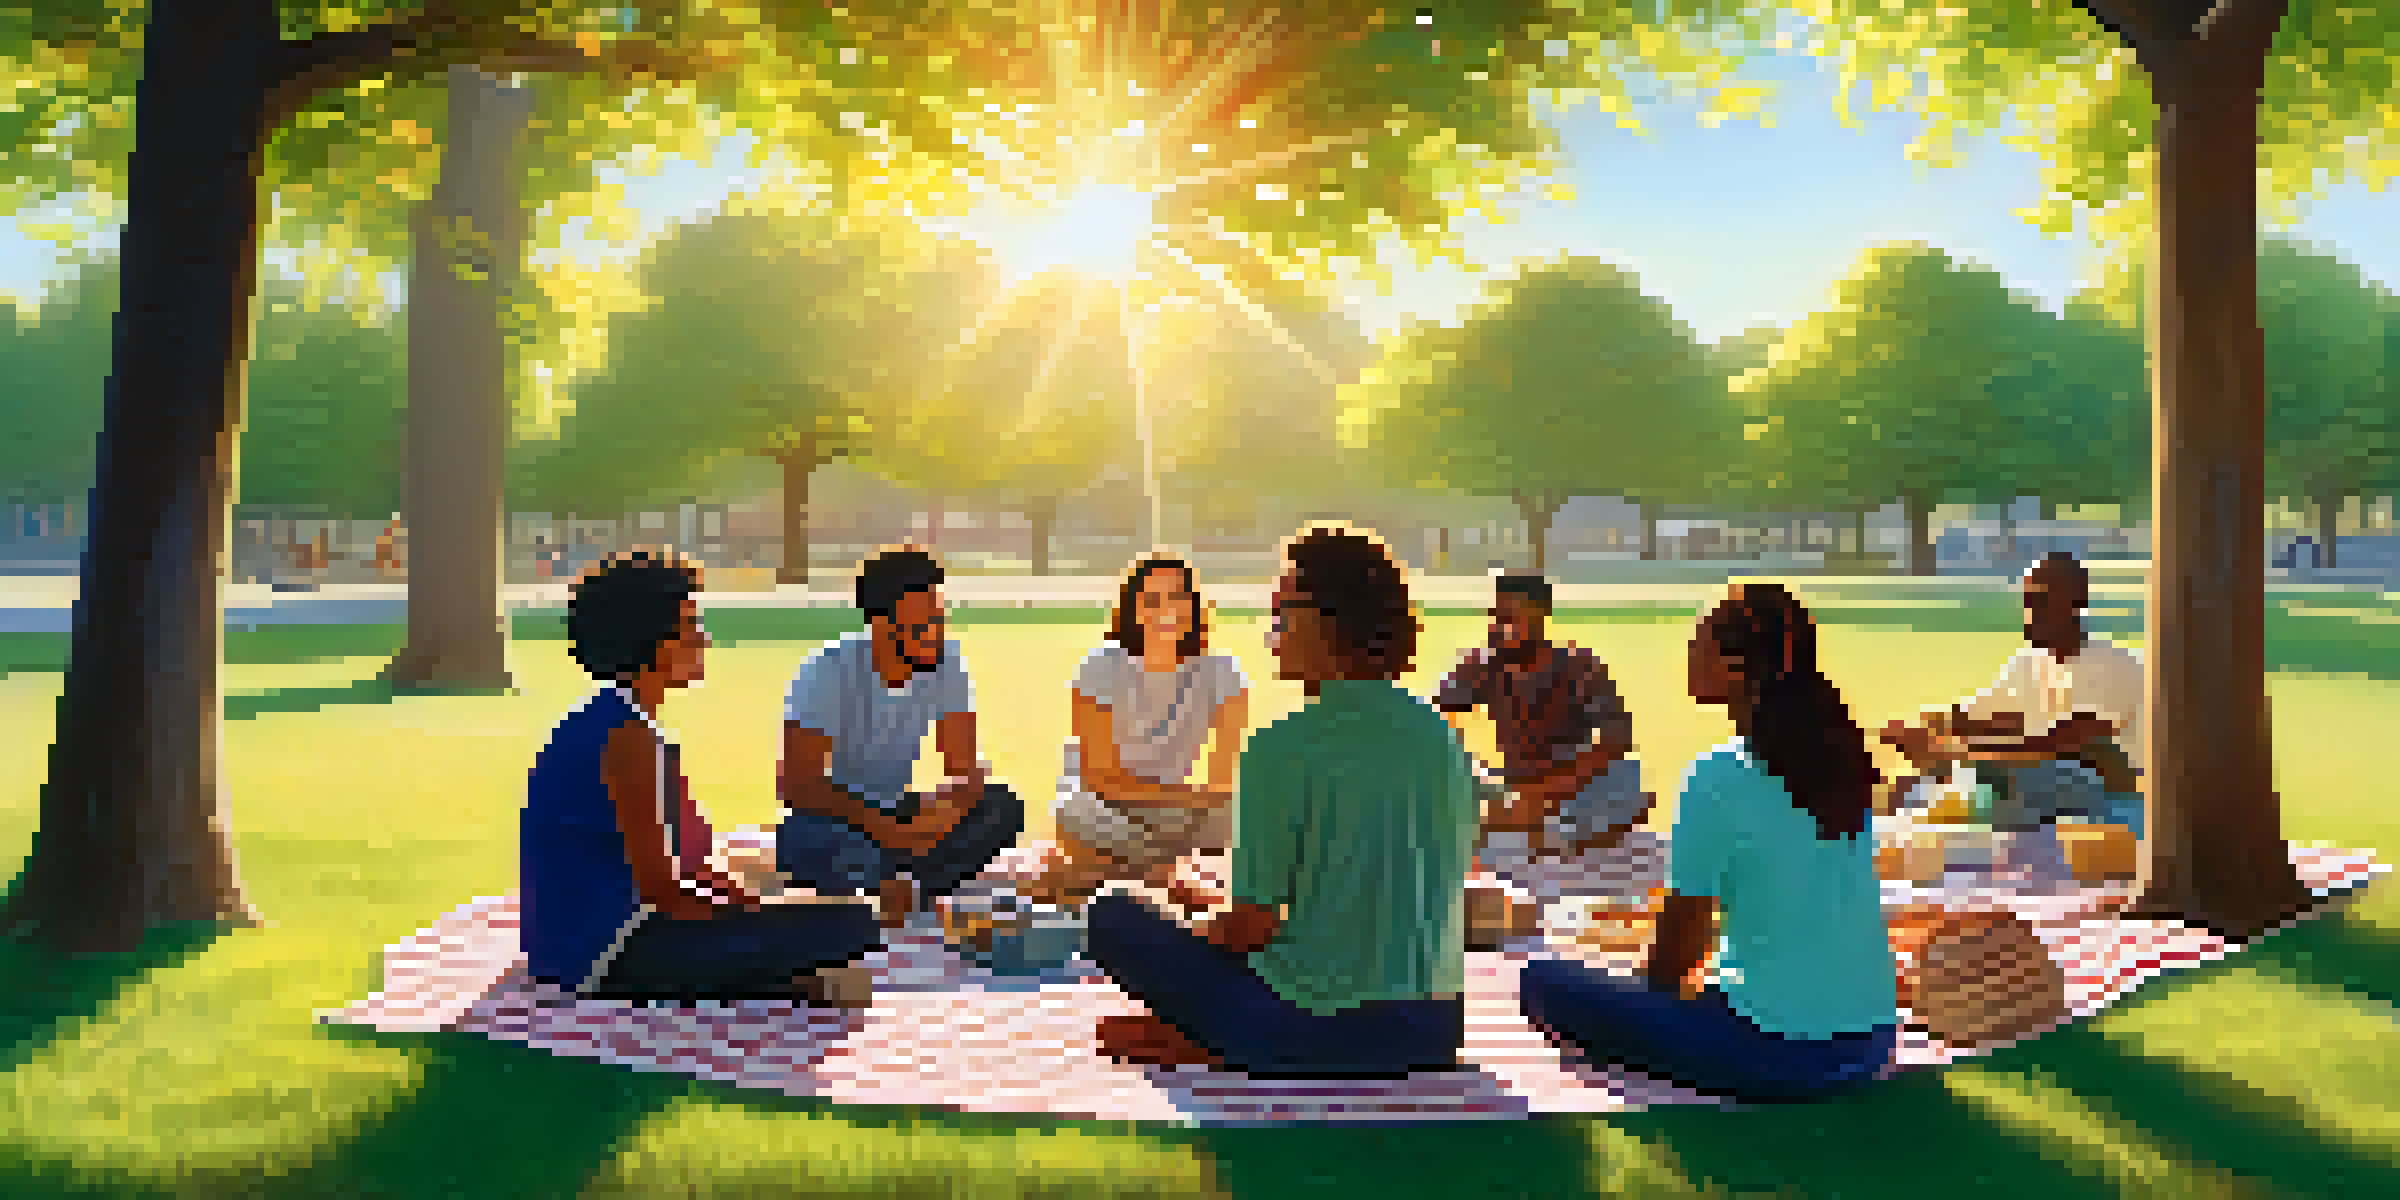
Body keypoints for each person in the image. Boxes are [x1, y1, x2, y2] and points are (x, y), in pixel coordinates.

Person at [1086, 525, 1480, 1077]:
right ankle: (1203, 1037)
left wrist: (1189, 922)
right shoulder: (1440, 736)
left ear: (1325, 621)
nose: (1270, 627)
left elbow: (1250, 929)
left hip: (1305, 1030)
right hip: (1432, 1032)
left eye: (1280, 608)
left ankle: (1208, 1041)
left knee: (1113, 911)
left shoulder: (1280, 746)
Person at [1518, 583, 1899, 1103]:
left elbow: (1680, 946)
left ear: (1738, 668)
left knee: (1540, 984)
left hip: (1776, 1054)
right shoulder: (1841, 761)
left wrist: (1647, 1009)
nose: (1688, 657)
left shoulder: (1716, 776)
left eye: (1699, 645)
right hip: (1872, 1041)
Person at [519, 550, 882, 1005]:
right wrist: (747, 910)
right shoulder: (627, 737)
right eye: (691, 625)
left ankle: (781, 977)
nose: (704, 639)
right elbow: (664, 893)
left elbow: (684, 859)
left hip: (578, 945)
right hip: (605, 955)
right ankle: (779, 982)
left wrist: (730, 892)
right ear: (650, 641)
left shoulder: (619, 720)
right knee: (851, 921)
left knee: (812, 905)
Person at [775, 546, 1025, 930]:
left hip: (898, 808)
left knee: (1002, 807)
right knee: (816, 843)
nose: (936, 635)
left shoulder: (946, 662)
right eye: (923, 625)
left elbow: (962, 767)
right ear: (880, 624)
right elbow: (797, 786)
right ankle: (901, 877)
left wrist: (950, 806)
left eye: (940, 620)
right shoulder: (825, 671)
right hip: (835, 816)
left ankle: (904, 886)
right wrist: (888, 831)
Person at [1022, 554, 1251, 911]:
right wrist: (1193, 799)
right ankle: (1170, 878)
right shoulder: (1100, 667)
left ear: (1194, 607)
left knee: (1246, 812)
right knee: (1077, 814)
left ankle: (1088, 873)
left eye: (1178, 597)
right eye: (1152, 601)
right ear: (1131, 610)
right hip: (1104, 803)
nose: (1166, 610)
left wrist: (1198, 802)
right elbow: (1100, 778)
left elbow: (1222, 778)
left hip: (1174, 809)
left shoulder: (1222, 671)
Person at [1878, 552, 2146, 839]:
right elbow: (1970, 720)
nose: (2030, 611)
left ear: (2077, 602)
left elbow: (2064, 746)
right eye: (2027, 600)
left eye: (2041, 600)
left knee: (2038, 777)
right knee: (1911, 786)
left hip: (2111, 803)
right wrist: (1924, 729)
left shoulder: (2115, 666)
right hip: (2042, 791)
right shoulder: (2028, 664)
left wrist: (1954, 756)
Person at [1433, 571, 1651, 861]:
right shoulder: (1481, 666)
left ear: (1541, 616)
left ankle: (1518, 827)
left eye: (1511, 618)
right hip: (1509, 791)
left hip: (1570, 792)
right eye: (1496, 617)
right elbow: (1435, 724)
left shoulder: (1579, 667)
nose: (1499, 628)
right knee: (1434, 778)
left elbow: (1616, 743)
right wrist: (1471, 772)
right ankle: (1535, 830)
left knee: (1629, 778)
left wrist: (1543, 794)